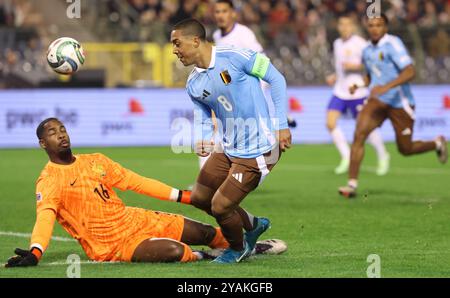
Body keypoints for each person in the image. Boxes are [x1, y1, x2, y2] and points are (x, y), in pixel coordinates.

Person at [4, 118, 283, 267]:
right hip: (111, 245)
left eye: (62, 128)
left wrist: (183, 196)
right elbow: (45, 216)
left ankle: (248, 246)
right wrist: (35, 252)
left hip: (134, 219)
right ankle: (207, 256)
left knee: (206, 233)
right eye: (53, 132)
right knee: (176, 251)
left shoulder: (95, 160)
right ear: (43, 143)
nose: (61, 134)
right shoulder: (48, 180)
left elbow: (136, 182)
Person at [171, 18, 291, 263]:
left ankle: (238, 249)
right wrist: (204, 139)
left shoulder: (237, 56)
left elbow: (276, 79)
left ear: (195, 40)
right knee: (200, 198)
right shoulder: (194, 83)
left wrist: (281, 126)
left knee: (220, 206)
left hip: (261, 149)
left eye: (177, 43)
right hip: (227, 147)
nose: (174, 50)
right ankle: (254, 225)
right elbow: (204, 115)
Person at [338, 15, 448, 198]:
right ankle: (351, 184)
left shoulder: (393, 44)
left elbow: (410, 71)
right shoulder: (366, 50)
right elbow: (371, 75)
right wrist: (360, 84)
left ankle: (437, 143)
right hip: (377, 101)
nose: (374, 28)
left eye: (379, 25)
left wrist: (387, 86)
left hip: (400, 103)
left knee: (405, 149)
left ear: (386, 28)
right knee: (359, 133)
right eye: (371, 25)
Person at [326, 15, 389, 176]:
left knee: (366, 128)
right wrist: (335, 75)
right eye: (341, 25)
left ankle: (383, 155)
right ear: (338, 27)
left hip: (357, 92)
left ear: (352, 27)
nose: (344, 28)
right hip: (340, 91)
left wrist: (355, 66)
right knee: (330, 123)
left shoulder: (360, 43)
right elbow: (340, 67)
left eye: (347, 25)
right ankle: (346, 156)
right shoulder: (337, 43)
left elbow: (371, 64)